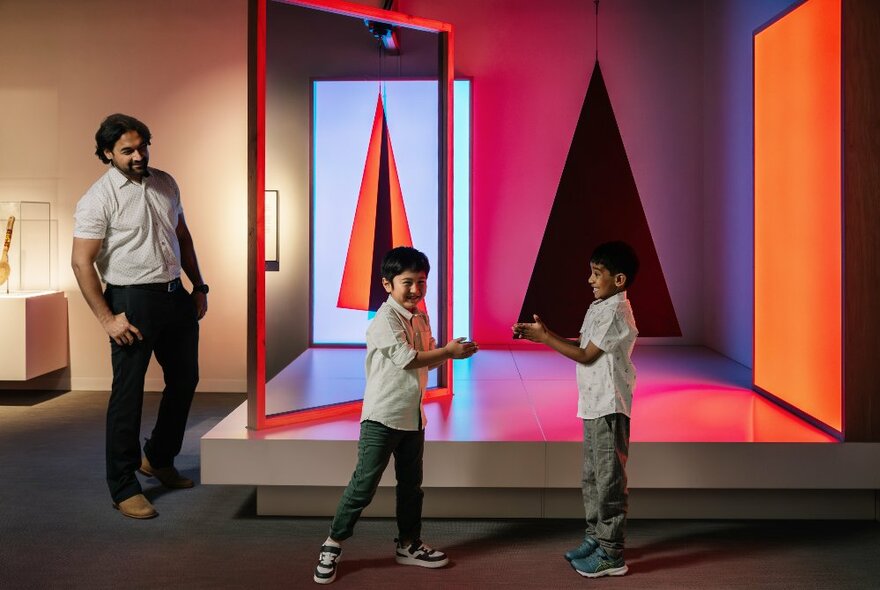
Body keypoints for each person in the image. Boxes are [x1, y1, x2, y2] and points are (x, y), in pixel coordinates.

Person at [71, 114, 209, 520]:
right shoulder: (98, 198)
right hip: (131, 302)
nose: (138, 155)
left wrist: (198, 287)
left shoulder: (166, 182)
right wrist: (108, 319)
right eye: (127, 150)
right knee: (128, 394)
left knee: (185, 380)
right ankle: (123, 485)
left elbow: (181, 236)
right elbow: (82, 263)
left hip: (174, 296)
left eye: (142, 146)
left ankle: (158, 458)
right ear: (107, 154)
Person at [313, 246, 478, 585]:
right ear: (387, 284)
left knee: (411, 487)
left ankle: (408, 545)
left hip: (412, 418)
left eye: (421, 281)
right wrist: (447, 351)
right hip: (381, 418)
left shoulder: (420, 315)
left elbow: (426, 359)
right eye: (408, 282)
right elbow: (406, 358)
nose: (416, 289)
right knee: (363, 486)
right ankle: (332, 543)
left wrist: (449, 355)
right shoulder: (383, 320)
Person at [513, 241, 639, 578]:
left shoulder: (616, 311)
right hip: (593, 405)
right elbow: (583, 349)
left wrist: (545, 338)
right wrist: (542, 334)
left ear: (620, 279)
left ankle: (612, 554)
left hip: (610, 406)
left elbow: (586, 356)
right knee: (592, 478)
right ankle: (596, 538)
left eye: (597, 274)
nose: (590, 279)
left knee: (609, 480)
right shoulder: (600, 306)